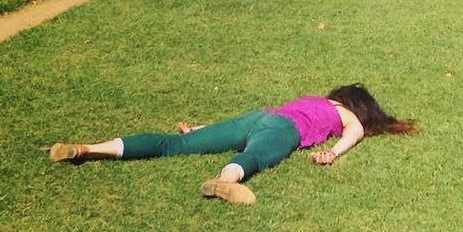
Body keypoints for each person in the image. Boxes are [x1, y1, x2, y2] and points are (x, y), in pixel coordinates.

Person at [49, 84, 416, 206]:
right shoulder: (342, 114)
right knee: (255, 155)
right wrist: (332, 152)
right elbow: (354, 133)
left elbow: (250, 123)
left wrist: (200, 128)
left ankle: (90, 148)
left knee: (174, 144)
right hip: (286, 128)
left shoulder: (309, 97)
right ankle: (228, 180)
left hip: (259, 115)